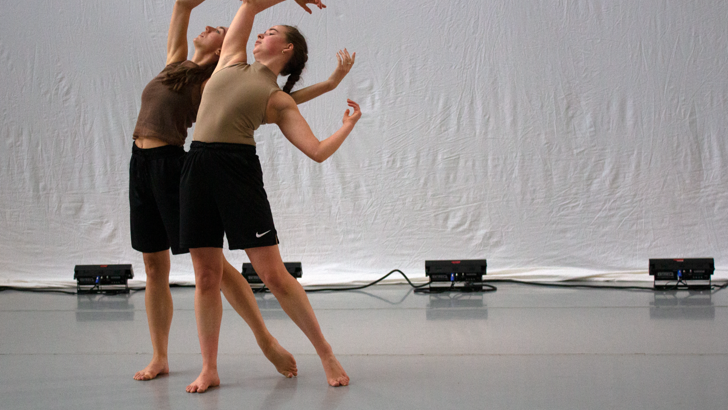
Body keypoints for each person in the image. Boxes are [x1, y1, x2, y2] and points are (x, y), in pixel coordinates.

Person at [129, 0, 355, 382]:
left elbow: (316, 151)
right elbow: (250, 3)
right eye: (262, 30)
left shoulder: (278, 99)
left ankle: (327, 355)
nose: (262, 32)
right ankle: (209, 369)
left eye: (273, 33)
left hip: (237, 171)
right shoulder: (230, 58)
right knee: (206, 277)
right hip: (196, 166)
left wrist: (347, 124)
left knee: (274, 276)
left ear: (286, 50)